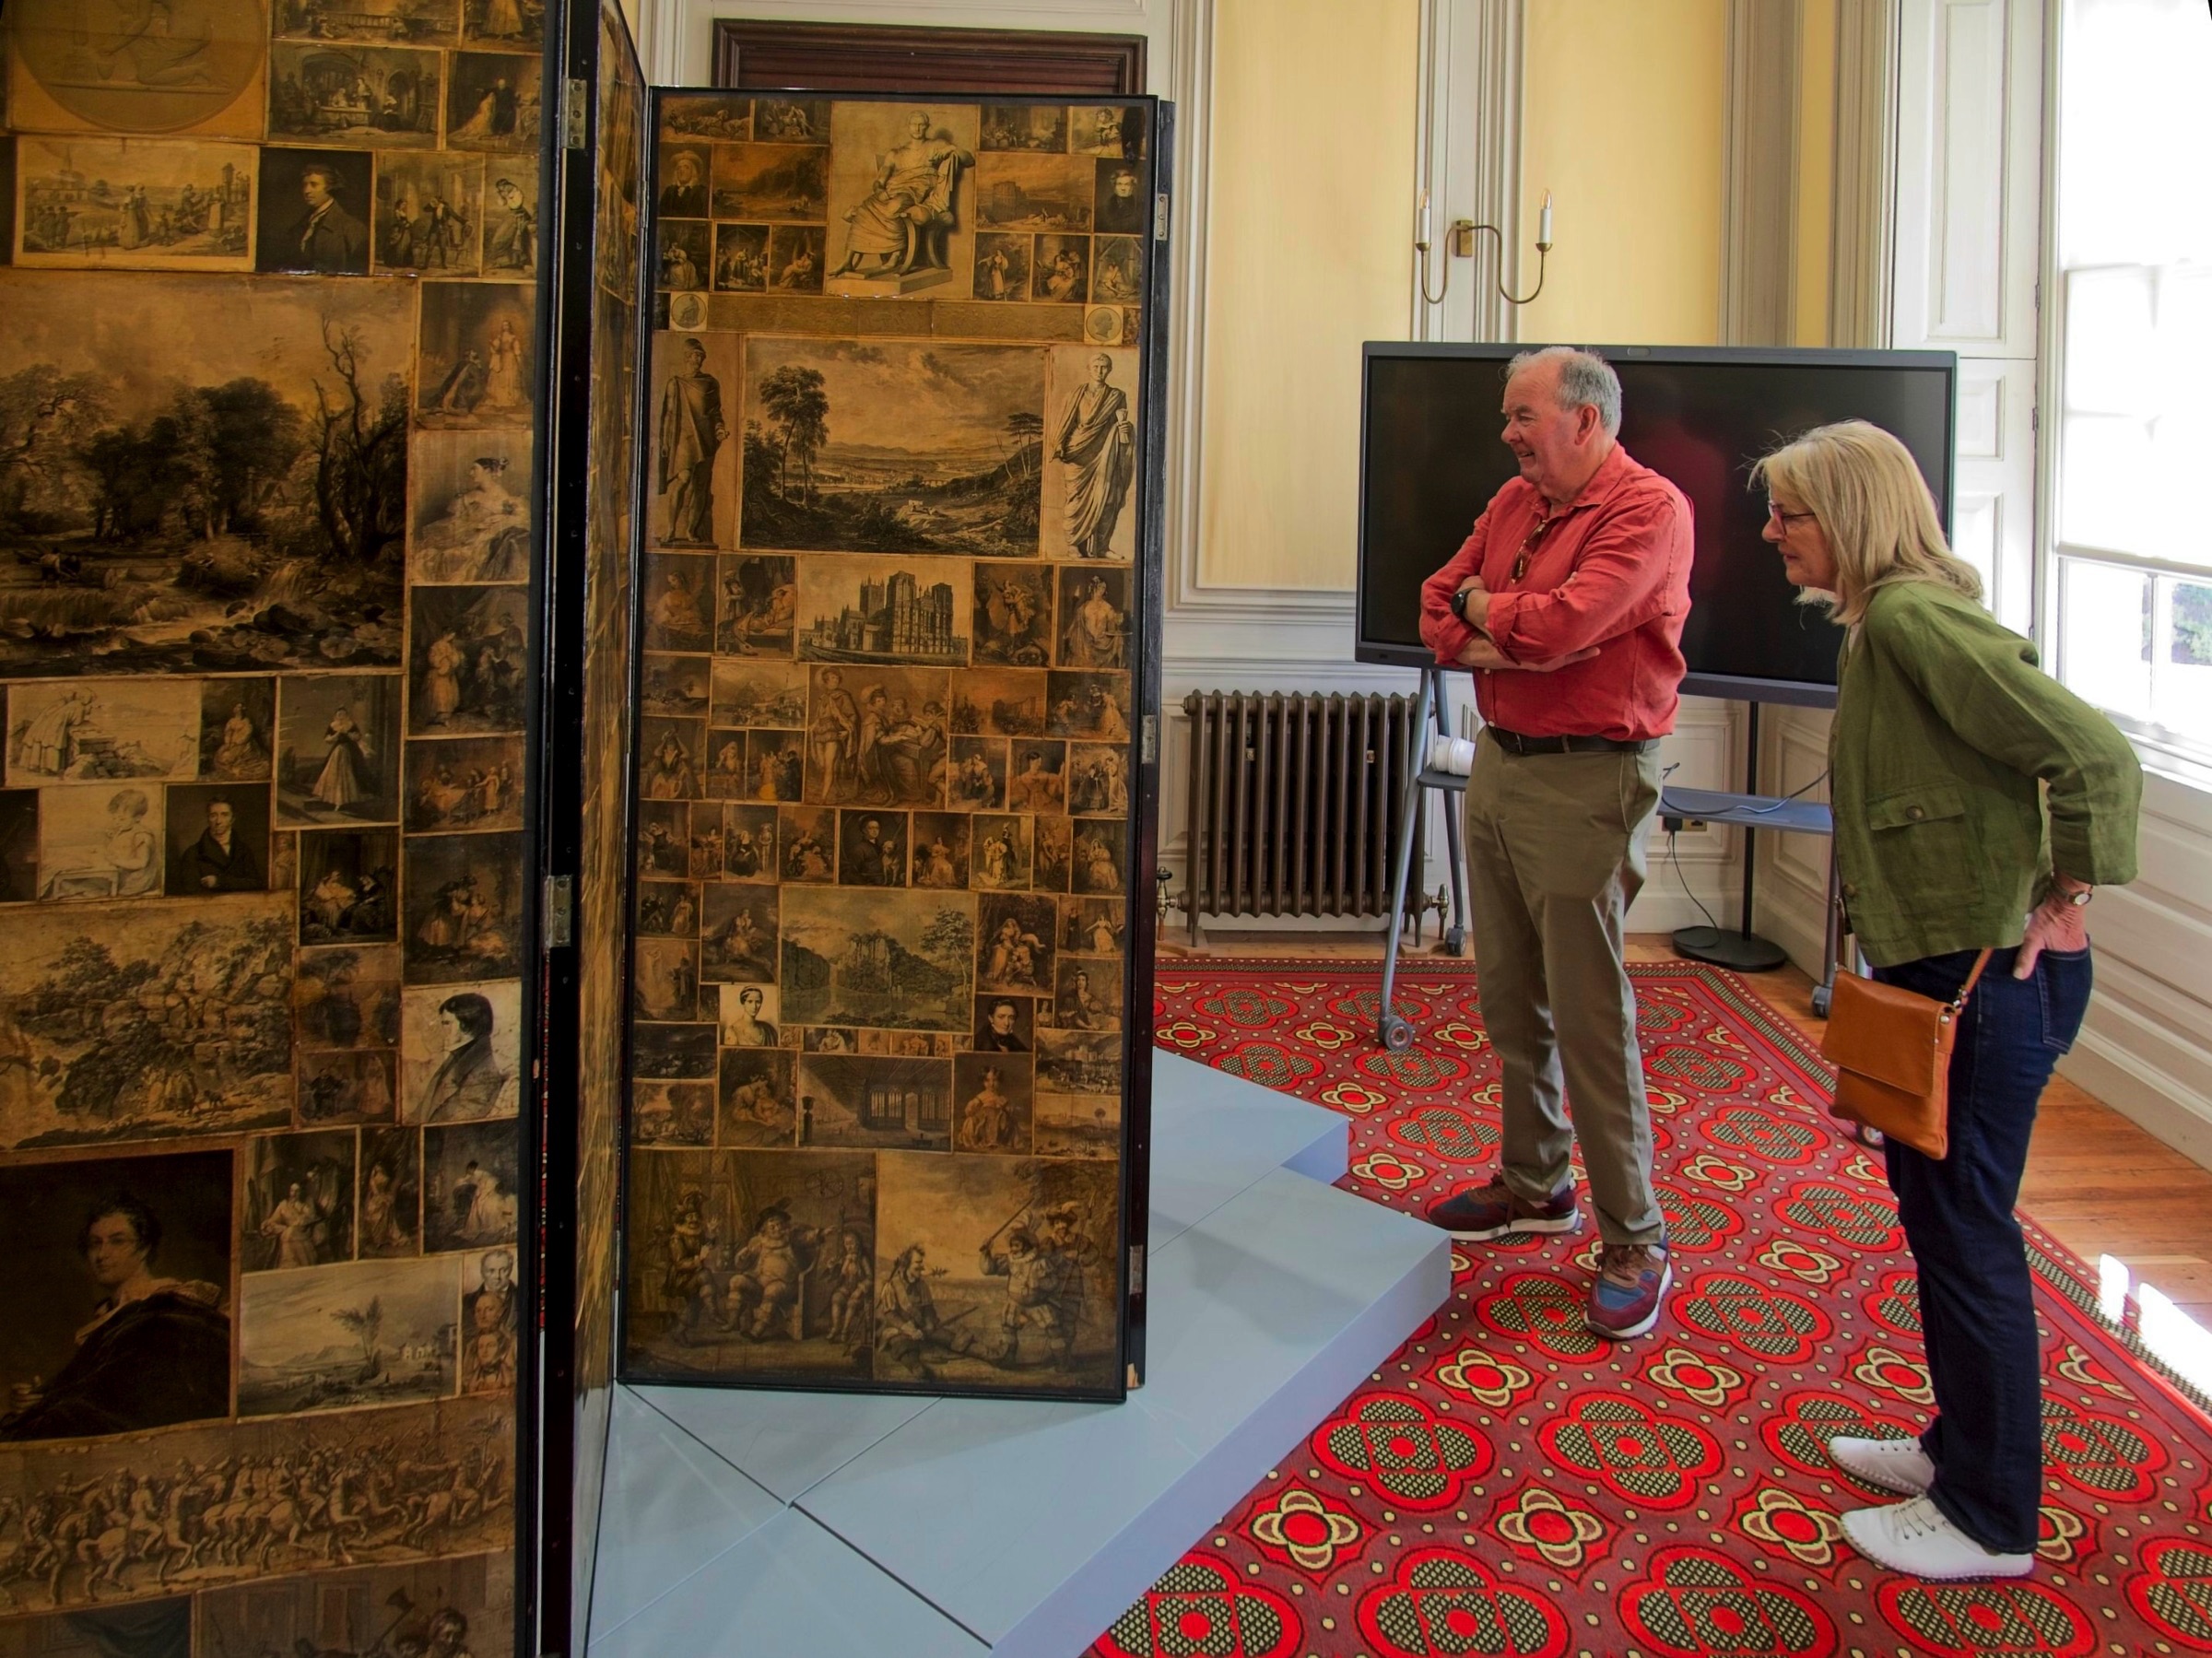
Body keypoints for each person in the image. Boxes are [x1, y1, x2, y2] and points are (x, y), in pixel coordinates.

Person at [1752, 420, 2140, 1581]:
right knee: (1940, 1217)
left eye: (1791, 513)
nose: (1772, 532)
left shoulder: (1915, 618)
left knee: (1967, 1232)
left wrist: (2067, 892)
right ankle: (1956, 1450)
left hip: (1986, 980)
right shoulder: (1886, 623)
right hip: (1945, 974)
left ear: (1850, 515)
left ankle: (1990, 1516)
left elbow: (2095, 757)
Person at [1416, 347, 1693, 1343]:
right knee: (1508, 996)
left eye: (1522, 415)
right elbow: (1436, 601)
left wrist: (1499, 621)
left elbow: (1565, 624)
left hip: (1590, 775)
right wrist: (1503, 628)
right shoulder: (1513, 501)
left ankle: (1636, 1238)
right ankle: (1536, 1183)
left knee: (1588, 1015)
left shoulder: (1649, 510)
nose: (1508, 434)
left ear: (1584, 419)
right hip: (1500, 761)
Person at [1, 1194, 230, 1440]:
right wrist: (37, 1400)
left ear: (144, 1247)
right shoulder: (108, 1320)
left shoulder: (168, 1309)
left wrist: (51, 1404)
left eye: (117, 1241)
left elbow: (120, 1401)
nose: (102, 1254)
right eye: (94, 1244)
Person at [832, 111, 972, 278]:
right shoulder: (895, 154)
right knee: (864, 209)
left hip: (914, 191)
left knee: (895, 206)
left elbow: (969, 160)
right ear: (908, 126)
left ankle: (896, 255)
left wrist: (952, 148)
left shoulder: (936, 145)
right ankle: (848, 260)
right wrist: (879, 190)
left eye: (921, 125)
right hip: (892, 189)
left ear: (927, 127)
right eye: (914, 124)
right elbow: (880, 180)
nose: (917, 128)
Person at [1053, 354, 1134, 559]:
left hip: (1106, 454)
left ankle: (1102, 547)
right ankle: (1073, 544)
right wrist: (1060, 444)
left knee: (1108, 499)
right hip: (1078, 455)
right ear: (1088, 369)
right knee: (1075, 500)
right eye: (1096, 366)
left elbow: (1119, 426)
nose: (1100, 371)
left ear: (1110, 369)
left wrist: (1126, 429)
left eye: (1104, 367)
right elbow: (1065, 423)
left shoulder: (1117, 396)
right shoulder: (1075, 395)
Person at [658, 336, 725, 547]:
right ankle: (670, 529)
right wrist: (666, 442)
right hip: (684, 439)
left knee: (700, 486)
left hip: (706, 439)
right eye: (695, 355)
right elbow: (669, 414)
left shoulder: (711, 383)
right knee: (683, 481)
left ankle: (690, 530)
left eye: (701, 356)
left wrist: (720, 429)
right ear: (687, 357)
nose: (698, 359)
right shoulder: (675, 383)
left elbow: (716, 412)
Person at [418, 992, 514, 1122]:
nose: (441, 1030)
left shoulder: (483, 1071)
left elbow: (458, 1122)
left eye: (446, 1023)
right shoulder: (459, 1056)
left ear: (467, 1025)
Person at [286, 163, 367, 272]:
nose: (306, 191)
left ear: (330, 188)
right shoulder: (300, 226)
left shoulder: (352, 227)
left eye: (314, 184)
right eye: (304, 185)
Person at [173, 795, 264, 892]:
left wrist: (219, 881)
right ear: (208, 819)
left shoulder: (244, 850)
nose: (218, 821)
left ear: (232, 819)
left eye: (224, 815)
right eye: (213, 815)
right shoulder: (192, 853)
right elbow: (190, 892)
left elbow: (256, 884)